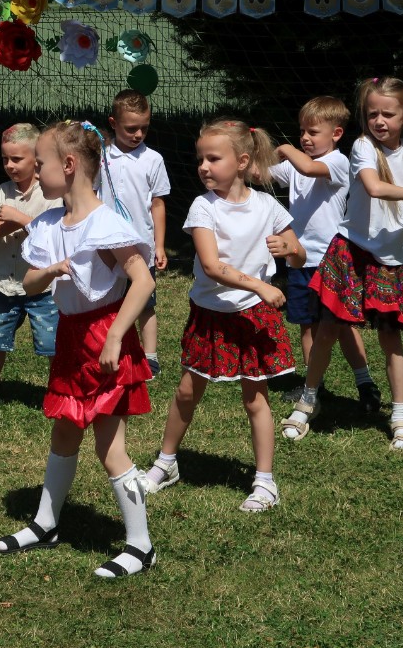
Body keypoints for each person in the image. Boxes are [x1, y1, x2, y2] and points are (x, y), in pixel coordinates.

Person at [0, 121, 156, 579]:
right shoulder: (47, 224)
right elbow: (29, 283)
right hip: (70, 339)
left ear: (68, 165)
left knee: (110, 448)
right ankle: (46, 524)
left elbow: (142, 281)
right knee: (64, 433)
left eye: (39, 163)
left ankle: (141, 546)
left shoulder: (106, 223)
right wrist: (50, 270)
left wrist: (117, 335)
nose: (35, 171)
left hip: (105, 339)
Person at [281, 77, 403, 449]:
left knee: (391, 338)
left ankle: (400, 416)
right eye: (372, 113)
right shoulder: (363, 146)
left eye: (387, 114)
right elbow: (375, 187)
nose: (378, 121)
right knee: (327, 329)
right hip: (350, 251)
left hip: (389, 262)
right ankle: (308, 401)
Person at [143, 118, 304, 512]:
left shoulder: (268, 206)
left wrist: (291, 250)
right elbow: (212, 267)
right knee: (187, 391)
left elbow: (299, 254)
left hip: (253, 317)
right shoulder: (203, 206)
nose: (204, 166)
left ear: (242, 161)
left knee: (256, 399)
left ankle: (265, 482)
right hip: (211, 314)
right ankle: (166, 463)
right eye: (201, 159)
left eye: (213, 159)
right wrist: (261, 285)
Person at [266, 96, 379, 408]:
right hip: (298, 258)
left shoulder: (337, 163)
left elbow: (307, 166)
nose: (305, 137)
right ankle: (314, 387)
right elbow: (262, 175)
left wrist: (285, 148)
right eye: (302, 131)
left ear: (336, 134)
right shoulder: (296, 165)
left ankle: (365, 383)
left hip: (332, 261)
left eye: (313, 132)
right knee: (307, 324)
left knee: (342, 326)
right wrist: (246, 154)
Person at [0, 122, 61, 407]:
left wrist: (17, 218)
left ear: (36, 159)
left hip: (41, 286)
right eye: (5, 159)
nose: (10, 165)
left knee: (51, 341)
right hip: (7, 282)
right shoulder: (3, 191)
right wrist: (15, 221)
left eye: (17, 159)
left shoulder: (50, 194)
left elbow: (50, 235)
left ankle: (58, 390)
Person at [96, 90, 170, 378]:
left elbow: (158, 204)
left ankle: (149, 357)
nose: (138, 134)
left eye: (144, 128)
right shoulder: (101, 156)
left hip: (141, 247)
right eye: (131, 128)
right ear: (113, 123)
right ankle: (108, 348)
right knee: (107, 300)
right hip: (105, 245)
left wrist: (159, 245)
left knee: (145, 303)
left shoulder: (153, 159)